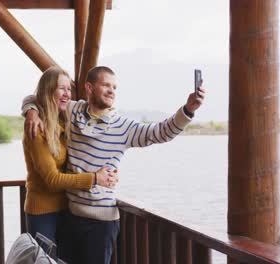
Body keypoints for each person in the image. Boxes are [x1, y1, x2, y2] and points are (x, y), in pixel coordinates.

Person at [22, 66, 206, 264]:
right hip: (71, 216)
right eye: (106, 85)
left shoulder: (123, 127)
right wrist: (31, 111)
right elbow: (42, 96)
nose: (112, 91)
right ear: (89, 88)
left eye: (115, 87)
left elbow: (160, 132)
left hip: (102, 222)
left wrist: (188, 110)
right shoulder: (72, 111)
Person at [22, 66, 119, 253]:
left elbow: (31, 99)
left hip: (68, 209)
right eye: (61, 88)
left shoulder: (63, 120)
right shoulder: (36, 129)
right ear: (48, 91)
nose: (67, 94)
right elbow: (52, 179)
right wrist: (95, 179)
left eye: (69, 89)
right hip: (42, 213)